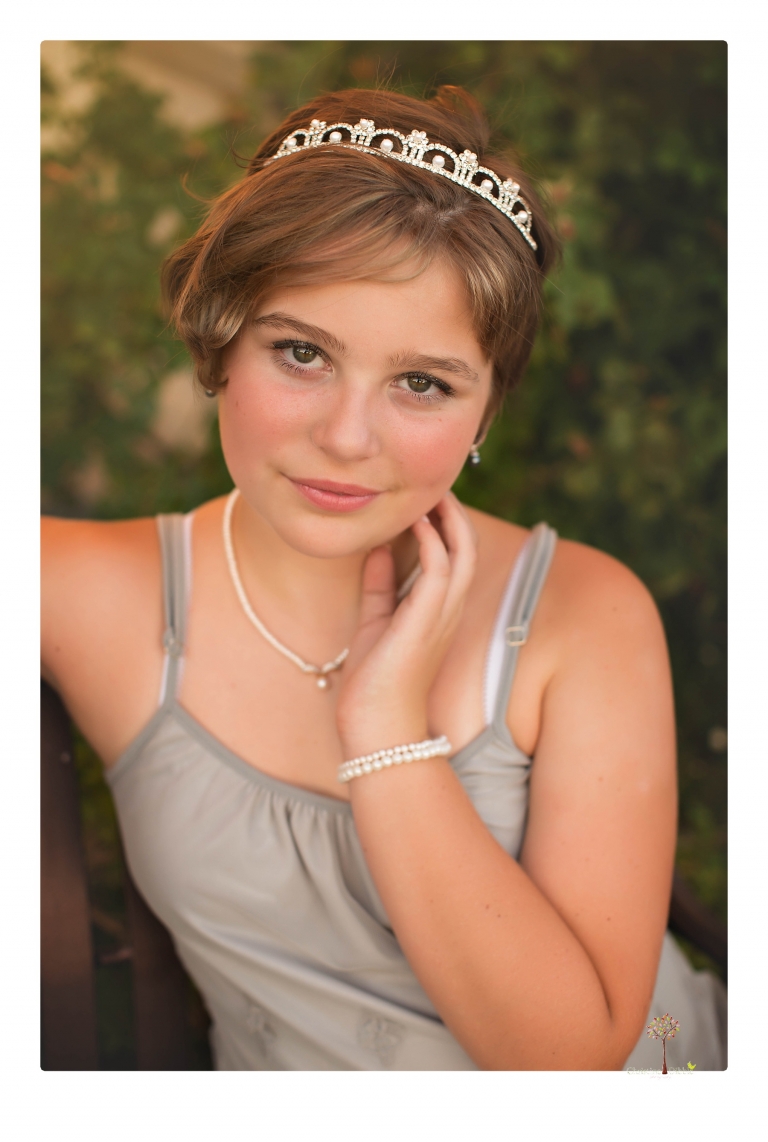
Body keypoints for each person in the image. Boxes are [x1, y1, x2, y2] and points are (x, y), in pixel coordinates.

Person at [40, 86, 726, 1071]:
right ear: (218, 341)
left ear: (484, 412)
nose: (347, 437)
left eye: (423, 383)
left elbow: (569, 1064)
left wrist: (388, 736)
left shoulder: (583, 615)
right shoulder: (105, 598)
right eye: (301, 352)